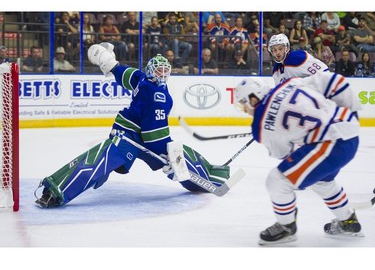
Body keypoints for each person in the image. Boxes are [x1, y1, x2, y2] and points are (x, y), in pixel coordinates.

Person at [34, 43, 234, 208]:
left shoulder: (142, 79)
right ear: (150, 71)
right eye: (159, 70)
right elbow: (153, 137)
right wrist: (167, 156)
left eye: (166, 70)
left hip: (136, 135)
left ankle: (211, 175)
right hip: (129, 136)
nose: (162, 74)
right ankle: (55, 191)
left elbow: (122, 73)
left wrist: (109, 63)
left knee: (180, 156)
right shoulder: (159, 95)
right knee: (101, 159)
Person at [234, 71, 363, 245]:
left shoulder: (260, 126)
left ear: (253, 98)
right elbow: (333, 80)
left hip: (331, 143)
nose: (244, 109)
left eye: (244, 103)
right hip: (348, 133)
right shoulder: (290, 83)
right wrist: (351, 113)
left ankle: (286, 226)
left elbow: (284, 154)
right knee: (322, 182)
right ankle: (348, 222)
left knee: (278, 181)